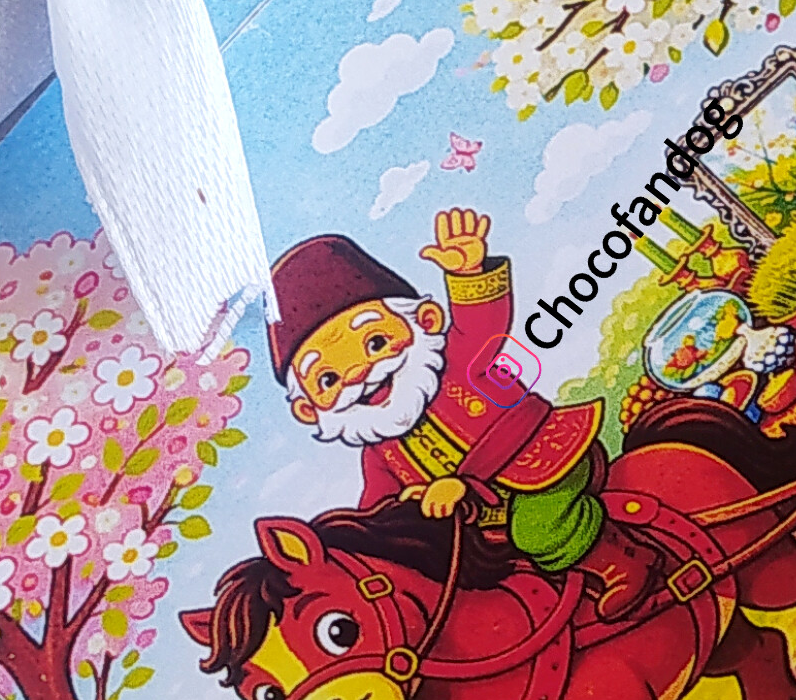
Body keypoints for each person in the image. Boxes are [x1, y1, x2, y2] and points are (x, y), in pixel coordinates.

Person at [264, 210, 650, 618]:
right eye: (328, 379)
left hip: (545, 464)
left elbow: (481, 324)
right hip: (480, 523)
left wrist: (468, 273)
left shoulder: (459, 358)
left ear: (425, 321)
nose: (360, 373)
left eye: (376, 343)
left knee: (538, 529)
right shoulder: (380, 454)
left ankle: (625, 562)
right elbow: (376, 513)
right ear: (308, 409)